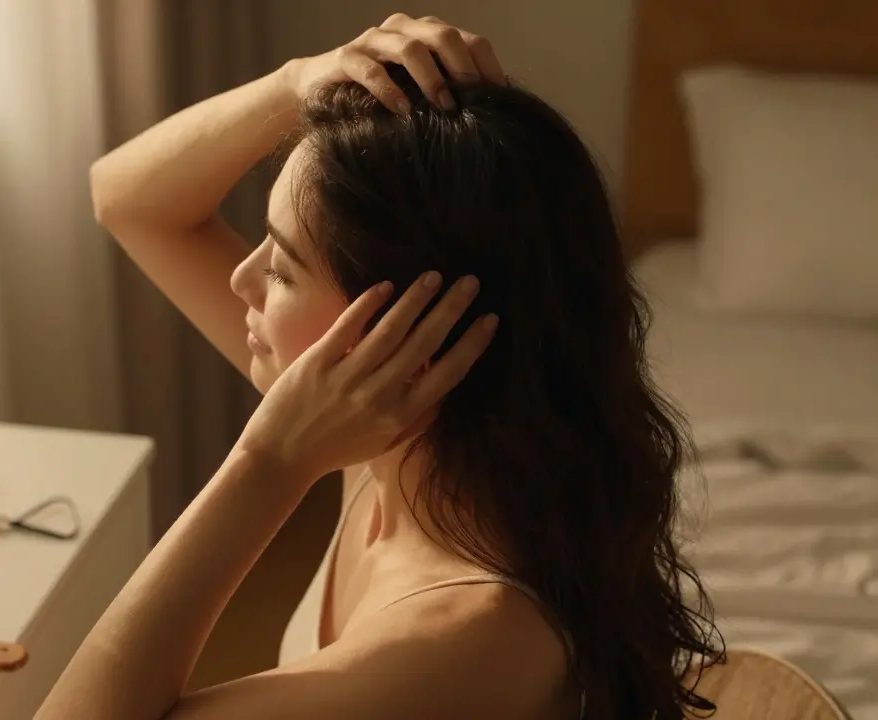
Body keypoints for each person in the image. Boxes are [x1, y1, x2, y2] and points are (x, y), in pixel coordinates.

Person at [35, 13, 722, 720]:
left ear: (407, 335)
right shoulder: (403, 446)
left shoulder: (471, 638)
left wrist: (269, 461)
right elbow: (127, 200)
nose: (242, 277)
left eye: (284, 268)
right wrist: (297, 81)